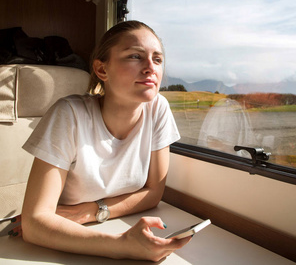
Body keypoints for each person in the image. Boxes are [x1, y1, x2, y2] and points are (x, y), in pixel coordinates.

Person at [11, 21, 191, 261]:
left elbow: (153, 192)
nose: (150, 68)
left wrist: (91, 212)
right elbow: (35, 224)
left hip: (94, 224)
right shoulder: (69, 114)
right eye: (135, 56)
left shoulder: (158, 108)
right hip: (64, 239)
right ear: (101, 69)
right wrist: (123, 245)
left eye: (157, 59)